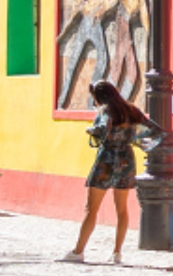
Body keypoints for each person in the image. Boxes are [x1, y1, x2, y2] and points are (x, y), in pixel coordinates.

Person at [62, 79, 163, 264]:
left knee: (91, 208)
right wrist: (137, 141)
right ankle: (116, 253)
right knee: (122, 209)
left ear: (100, 97)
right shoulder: (131, 110)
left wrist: (91, 130)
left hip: (106, 161)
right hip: (126, 160)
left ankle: (78, 251)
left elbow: (103, 129)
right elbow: (154, 130)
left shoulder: (105, 111)